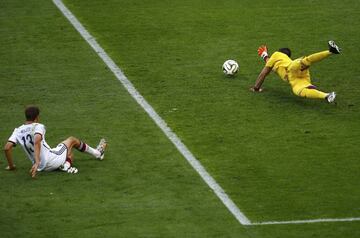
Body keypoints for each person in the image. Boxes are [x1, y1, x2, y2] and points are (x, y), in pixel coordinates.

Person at [4, 106, 107, 178]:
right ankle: (98, 153)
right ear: (37, 117)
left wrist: (12, 166)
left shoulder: (17, 130)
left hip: (41, 166)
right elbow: (37, 141)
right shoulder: (38, 126)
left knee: (69, 153)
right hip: (50, 160)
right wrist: (37, 161)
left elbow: (7, 148)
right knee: (72, 140)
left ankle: (65, 165)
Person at [251, 40, 341, 103]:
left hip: (292, 69)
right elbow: (269, 62)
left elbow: (264, 73)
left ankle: (330, 51)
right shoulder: (277, 63)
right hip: (297, 77)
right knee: (300, 91)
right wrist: (264, 55)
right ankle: (327, 96)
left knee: (306, 60)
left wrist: (256, 88)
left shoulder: (277, 54)